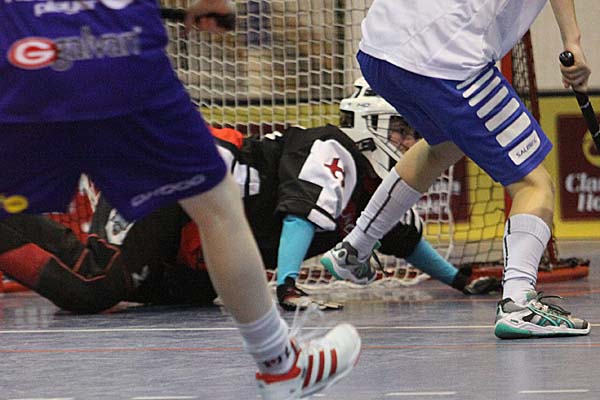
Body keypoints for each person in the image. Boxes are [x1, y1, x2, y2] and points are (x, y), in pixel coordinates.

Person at [0, 1, 360, 398]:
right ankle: (279, 365)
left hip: (24, 49)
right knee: (218, 208)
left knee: (180, 260)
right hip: (121, 54)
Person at [0, 125, 500, 314]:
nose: (410, 144)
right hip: (177, 178)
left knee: (198, 292)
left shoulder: (374, 196)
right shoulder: (337, 151)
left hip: (191, 226)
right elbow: (300, 215)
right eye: (404, 131)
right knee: (91, 288)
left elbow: (405, 240)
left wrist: (460, 281)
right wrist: (287, 285)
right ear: (374, 122)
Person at [321, 0, 591, 339]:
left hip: (380, 48)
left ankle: (355, 247)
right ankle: (519, 303)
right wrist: (572, 41)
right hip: (449, 57)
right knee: (533, 183)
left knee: (444, 144)